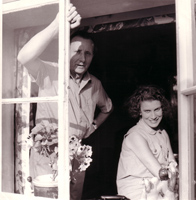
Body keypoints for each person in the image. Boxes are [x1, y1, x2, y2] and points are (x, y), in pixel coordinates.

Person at [17, 4, 113, 200]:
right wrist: (57, 24)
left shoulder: (95, 84)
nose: (82, 58)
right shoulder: (50, 71)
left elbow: (108, 108)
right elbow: (23, 56)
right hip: (47, 154)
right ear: (65, 51)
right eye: (77, 51)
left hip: (77, 156)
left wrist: (93, 126)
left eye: (88, 53)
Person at [116, 85, 178, 200]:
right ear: (139, 112)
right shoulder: (135, 135)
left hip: (161, 188)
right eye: (147, 111)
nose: (153, 116)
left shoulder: (162, 132)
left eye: (157, 109)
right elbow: (160, 173)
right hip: (138, 192)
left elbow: (172, 163)